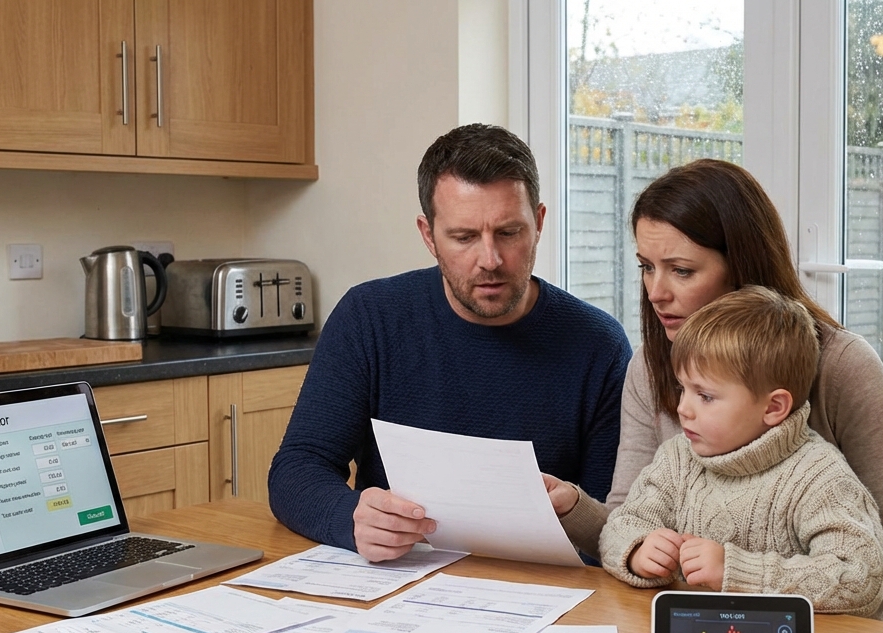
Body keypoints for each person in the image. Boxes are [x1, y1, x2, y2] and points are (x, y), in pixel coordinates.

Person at [548, 158, 883, 612]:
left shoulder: (841, 366)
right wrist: (573, 508)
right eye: (646, 267)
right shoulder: (652, 367)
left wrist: (752, 586)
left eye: (682, 270)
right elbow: (629, 525)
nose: (656, 292)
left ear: (742, 267)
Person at [268, 123, 632, 562]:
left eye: (509, 232)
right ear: (428, 235)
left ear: (538, 223)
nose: (490, 260)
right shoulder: (370, 317)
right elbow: (296, 468)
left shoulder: (600, 346)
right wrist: (349, 517)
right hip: (401, 580)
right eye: (463, 237)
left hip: (544, 591)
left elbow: (617, 526)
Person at [599, 286, 883, 619]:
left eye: (705, 396)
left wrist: (736, 572)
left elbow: (859, 578)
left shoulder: (819, 476)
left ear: (774, 407)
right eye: (683, 389)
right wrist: (637, 549)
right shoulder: (676, 459)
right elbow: (620, 525)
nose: (683, 409)